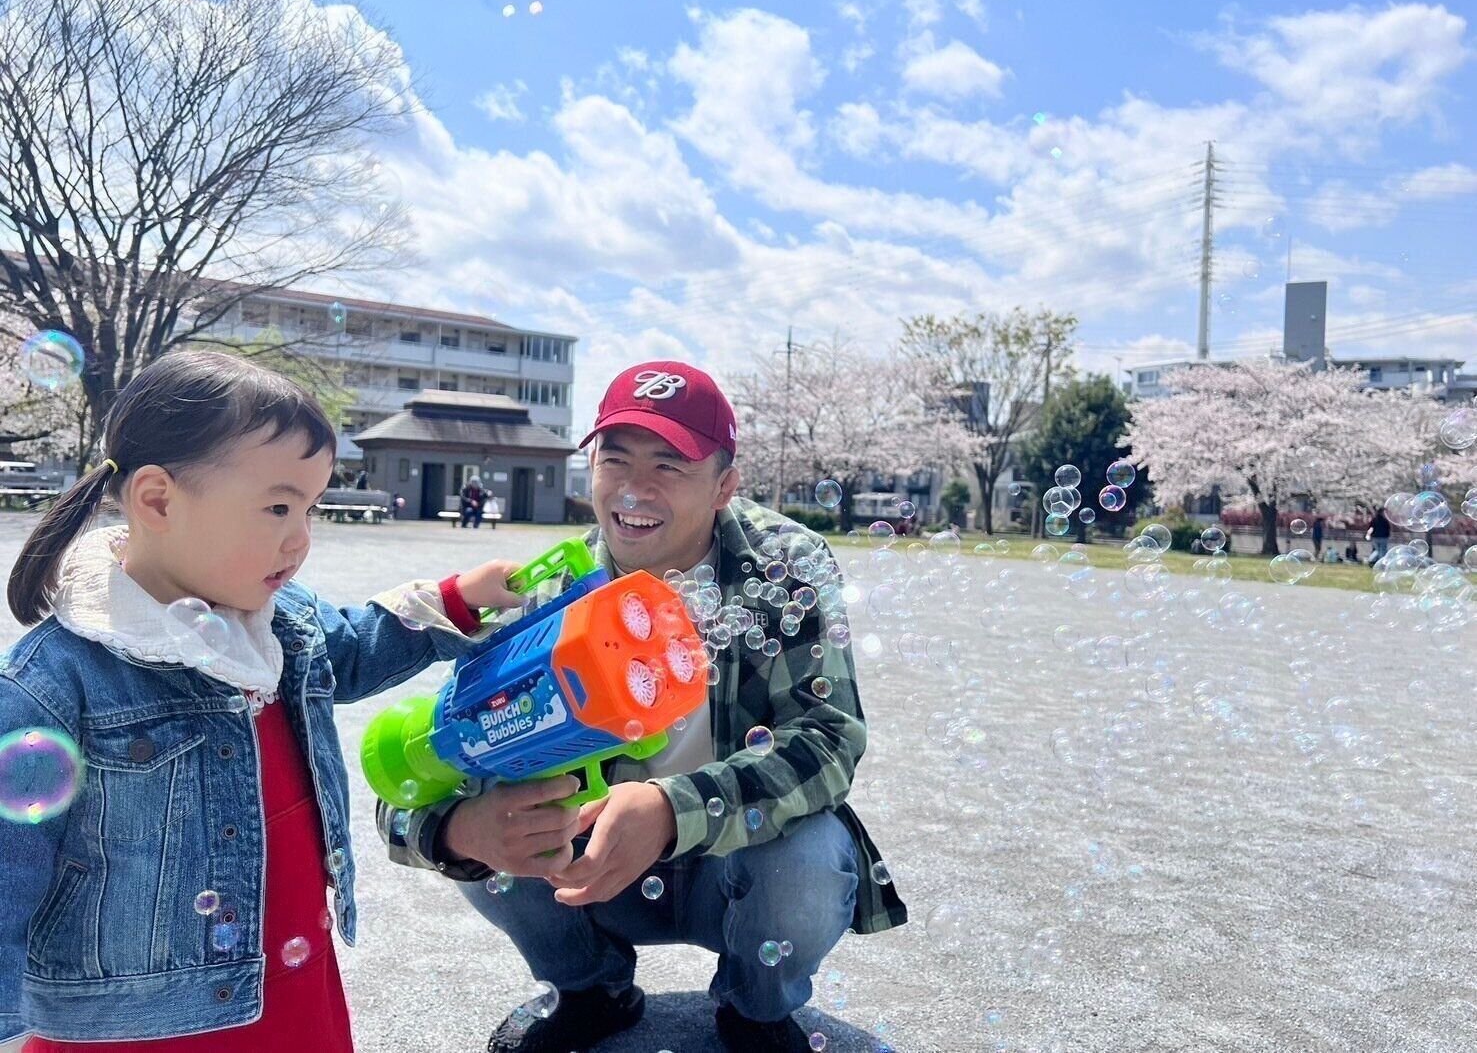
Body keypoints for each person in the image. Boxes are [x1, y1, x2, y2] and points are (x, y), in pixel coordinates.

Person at [0, 352, 526, 1050]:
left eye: (309, 508)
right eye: (278, 506)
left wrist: (457, 601)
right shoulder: (58, 682)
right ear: (157, 500)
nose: (301, 537)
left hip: (288, 983)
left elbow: (354, 647)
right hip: (140, 1022)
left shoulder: (278, 620)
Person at [379, 361, 905, 1053]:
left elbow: (828, 739)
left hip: (740, 864)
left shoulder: (784, 566)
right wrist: (457, 835)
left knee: (810, 858)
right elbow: (414, 780)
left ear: (724, 486)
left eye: (669, 465)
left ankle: (756, 1008)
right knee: (491, 818)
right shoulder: (554, 589)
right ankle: (591, 990)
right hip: (593, 870)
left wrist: (670, 809)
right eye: (614, 458)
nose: (633, 487)